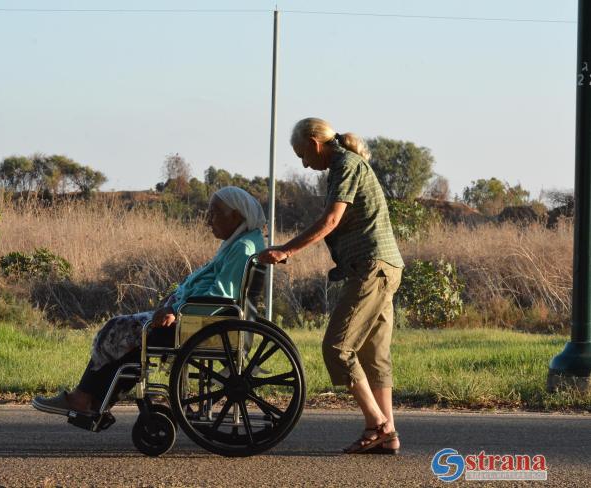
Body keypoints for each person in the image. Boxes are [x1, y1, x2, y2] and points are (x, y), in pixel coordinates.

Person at [33, 186, 266, 416]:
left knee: (117, 329)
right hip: (194, 316)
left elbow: (221, 296)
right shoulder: (242, 242)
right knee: (126, 335)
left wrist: (175, 310)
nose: (208, 220)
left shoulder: (242, 248)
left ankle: (83, 399)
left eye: (214, 213)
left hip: (195, 321)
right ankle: (92, 399)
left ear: (236, 215)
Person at [258, 117, 404, 455]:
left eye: (302, 154)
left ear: (314, 142)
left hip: (373, 267)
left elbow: (331, 220)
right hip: (381, 267)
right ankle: (387, 432)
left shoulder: (346, 164)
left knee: (337, 347)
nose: (304, 163)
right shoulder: (343, 164)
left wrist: (286, 250)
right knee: (373, 356)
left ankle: (378, 424)